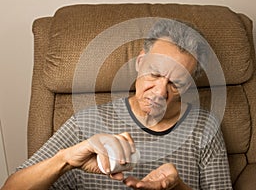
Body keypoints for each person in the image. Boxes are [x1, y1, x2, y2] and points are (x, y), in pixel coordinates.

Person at [2, 19, 232, 189]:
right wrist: (66, 160)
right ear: (141, 62)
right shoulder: (87, 122)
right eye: (154, 74)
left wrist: (177, 188)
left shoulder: (204, 127)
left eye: (176, 83)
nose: (160, 92)